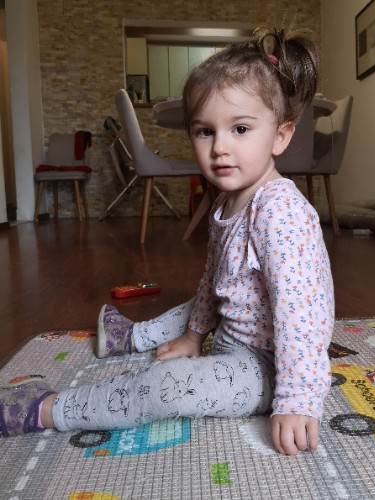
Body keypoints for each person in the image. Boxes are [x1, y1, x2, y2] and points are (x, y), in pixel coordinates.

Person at [0, 27, 334, 456]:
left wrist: (298, 398)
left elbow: (301, 313)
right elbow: (214, 282)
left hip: (268, 366)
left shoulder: (280, 211)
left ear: (280, 136)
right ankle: (130, 337)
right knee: (199, 301)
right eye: (205, 131)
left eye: (240, 128)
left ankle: (46, 408)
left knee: (168, 386)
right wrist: (194, 336)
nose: (220, 148)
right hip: (234, 331)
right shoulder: (227, 201)